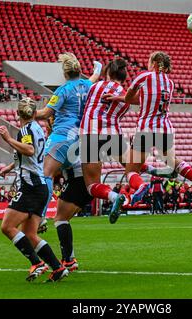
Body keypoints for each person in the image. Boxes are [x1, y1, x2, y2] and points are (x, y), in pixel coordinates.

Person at [104, 51, 192, 219]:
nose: (148, 64)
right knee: (172, 161)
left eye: (150, 61)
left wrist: (120, 98)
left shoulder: (144, 77)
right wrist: (118, 97)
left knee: (131, 171)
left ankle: (141, 186)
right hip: (165, 127)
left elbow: (130, 98)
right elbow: (141, 99)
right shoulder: (170, 83)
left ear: (155, 63)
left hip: (146, 127)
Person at [0, 97, 68, 282]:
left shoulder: (25, 130)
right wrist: (11, 167)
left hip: (30, 186)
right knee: (30, 234)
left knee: (7, 227)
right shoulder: (38, 128)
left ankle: (37, 263)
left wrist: (8, 139)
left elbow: (29, 150)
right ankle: (57, 268)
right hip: (40, 186)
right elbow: (31, 155)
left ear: (18, 113)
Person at [35, 52, 101, 224]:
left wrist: (29, 114)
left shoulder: (62, 90)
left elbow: (46, 113)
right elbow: (95, 77)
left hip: (62, 136)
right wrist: (97, 68)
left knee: (45, 174)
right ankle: (73, 206)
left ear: (65, 74)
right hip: (80, 137)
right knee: (69, 173)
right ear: (79, 71)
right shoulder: (87, 84)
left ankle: (40, 215)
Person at [79, 58, 130, 223]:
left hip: (90, 135)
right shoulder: (125, 97)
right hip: (113, 134)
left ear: (108, 72)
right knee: (130, 166)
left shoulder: (95, 86)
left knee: (91, 186)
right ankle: (154, 170)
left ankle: (114, 197)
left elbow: (81, 99)